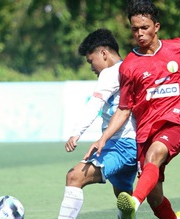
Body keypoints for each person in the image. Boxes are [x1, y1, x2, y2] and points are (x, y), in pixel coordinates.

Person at [85, 1, 180, 219]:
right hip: (145, 131)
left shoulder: (176, 47)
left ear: (156, 26)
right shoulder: (129, 65)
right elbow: (124, 109)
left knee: (154, 155)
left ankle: (133, 203)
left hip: (174, 123)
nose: (139, 33)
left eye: (144, 28)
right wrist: (104, 138)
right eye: (135, 29)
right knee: (156, 198)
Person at [58, 28, 137, 219]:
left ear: (104, 53)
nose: (92, 67)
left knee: (74, 176)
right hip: (133, 146)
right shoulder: (131, 68)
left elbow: (94, 104)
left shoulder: (110, 73)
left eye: (91, 61)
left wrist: (77, 133)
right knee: (124, 197)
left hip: (122, 146)